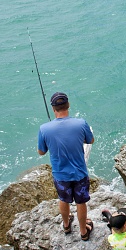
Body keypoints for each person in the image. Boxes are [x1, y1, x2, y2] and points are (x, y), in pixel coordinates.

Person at [38, 92, 95, 240]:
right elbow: (91, 140)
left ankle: (66, 225)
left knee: (63, 199)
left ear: (53, 109)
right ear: (68, 106)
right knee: (81, 202)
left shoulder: (44, 128)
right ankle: (83, 232)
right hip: (80, 173)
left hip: (60, 174)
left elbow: (41, 152)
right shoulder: (81, 123)